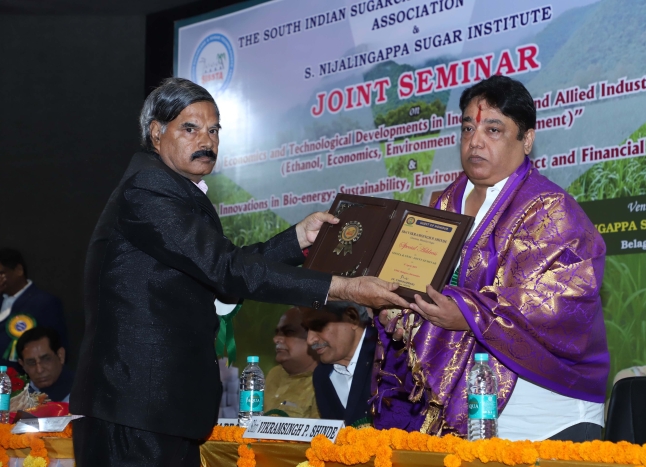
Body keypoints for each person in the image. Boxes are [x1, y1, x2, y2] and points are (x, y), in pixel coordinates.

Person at [70, 77, 408, 467]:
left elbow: (222, 268)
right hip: (135, 409)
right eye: (191, 129)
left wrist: (298, 239)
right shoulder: (148, 188)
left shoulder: (173, 189)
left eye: (214, 130)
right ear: (157, 133)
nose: (207, 141)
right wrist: (344, 287)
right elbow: (226, 268)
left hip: (156, 409)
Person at [374, 75, 609, 442]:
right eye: (468, 128)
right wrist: (398, 304)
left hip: (544, 413)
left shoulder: (552, 210)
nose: (475, 141)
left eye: (493, 130)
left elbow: (557, 301)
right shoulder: (442, 204)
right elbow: (414, 282)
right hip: (463, 410)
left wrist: (467, 314)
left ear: (526, 139)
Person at [304, 301, 376, 427]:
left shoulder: (391, 356)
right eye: (306, 329)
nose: (310, 340)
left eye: (318, 326)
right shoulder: (321, 375)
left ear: (352, 318)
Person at [0, 248, 68, 370]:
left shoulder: (44, 303)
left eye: (1, 273)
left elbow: (58, 349)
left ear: (19, 270)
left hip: (21, 378)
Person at [264, 307, 320, 418]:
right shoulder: (274, 374)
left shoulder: (325, 382)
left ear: (313, 337)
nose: (276, 339)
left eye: (288, 332)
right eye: (277, 333)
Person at [17, 326, 74, 402]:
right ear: (22, 365)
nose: (39, 370)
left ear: (61, 356)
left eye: (46, 359)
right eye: (31, 362)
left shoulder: (84, 391)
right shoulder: (16, 399)